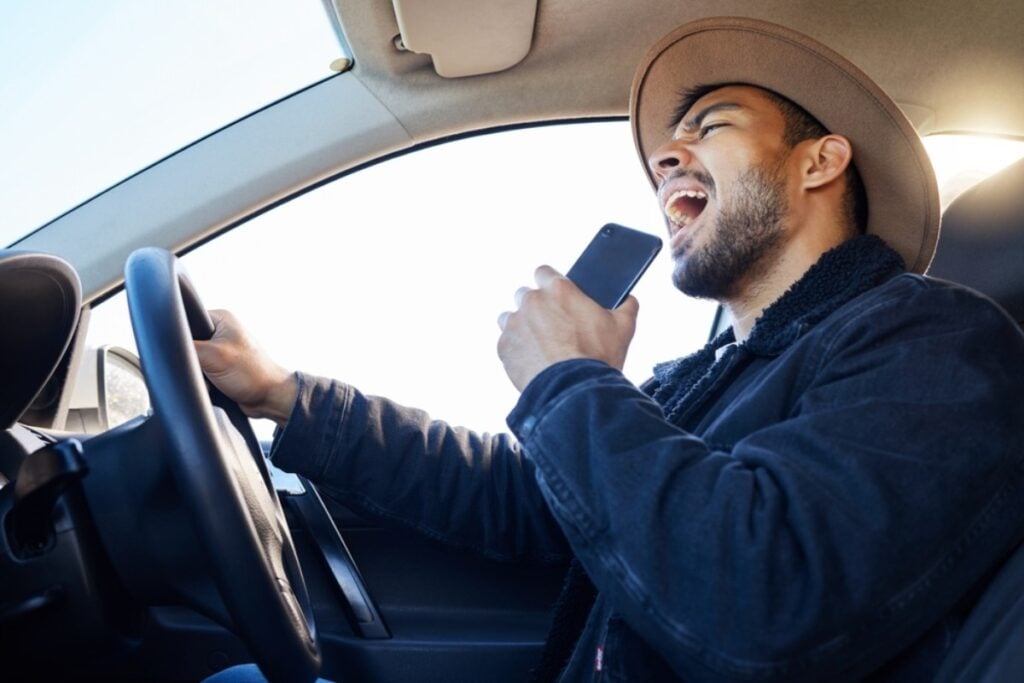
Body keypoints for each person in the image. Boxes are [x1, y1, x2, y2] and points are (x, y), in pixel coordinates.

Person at [196, 17, 1024, 683]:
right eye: (670, 142)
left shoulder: (937, 339)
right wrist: (285, 395)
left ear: (820, 161)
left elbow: (768, 601)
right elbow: (525, 500)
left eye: (713, 125)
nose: (666, 155)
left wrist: (570, 380)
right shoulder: (698, 381)